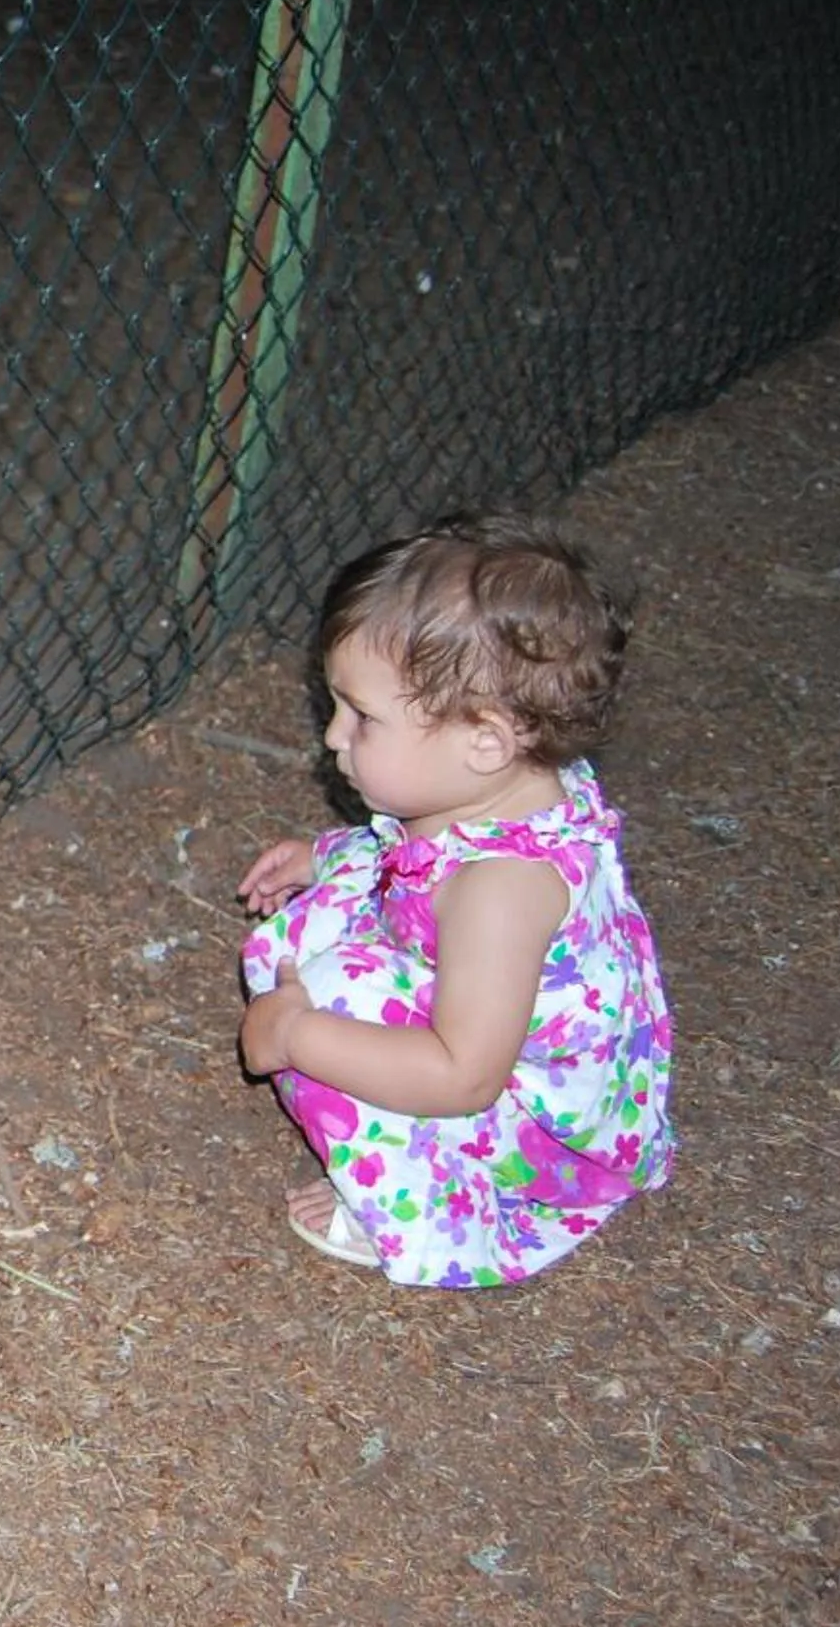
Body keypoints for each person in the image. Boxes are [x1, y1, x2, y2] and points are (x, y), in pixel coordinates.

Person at [234, 514, 674, 1286]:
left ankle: (429, 1214)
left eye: (362, 717)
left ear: (486, 742)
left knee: (333, 989)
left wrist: (297, 1035)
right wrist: (325, 856)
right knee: (313, 930)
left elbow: (462, 1076)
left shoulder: (502, 892)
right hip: (508, 1039)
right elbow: (413, 854)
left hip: (534, 1135)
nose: (334, 737)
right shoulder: (513, 791)